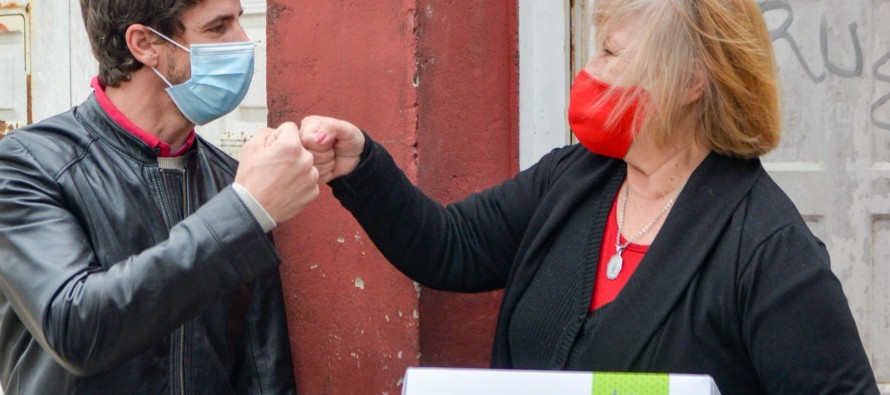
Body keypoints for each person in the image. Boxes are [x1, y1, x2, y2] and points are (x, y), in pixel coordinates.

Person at [297, 0, 879, 393]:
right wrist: (361, 165)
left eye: (612, 54)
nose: (589, 70)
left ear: (690, 82)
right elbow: (452, 247)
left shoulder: (769, 248)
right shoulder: (575, 177)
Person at [0, 0, 317, 393]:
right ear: (144, 43)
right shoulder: (28, 165)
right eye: (218, 27)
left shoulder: (233, 180)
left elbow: (262, 368)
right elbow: (75, 329)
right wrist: (244, 212)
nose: (243, 41)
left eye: (238, 20)